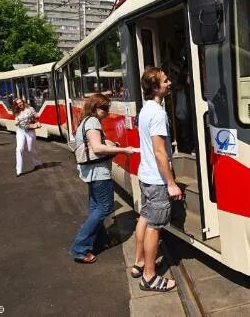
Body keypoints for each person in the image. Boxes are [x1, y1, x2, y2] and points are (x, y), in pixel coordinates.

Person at [69, 94, 138, 264]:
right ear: (95, 108)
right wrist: (123, 150)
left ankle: (102, 241)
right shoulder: (92, 122)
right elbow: (97, 148)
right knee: (105, 207)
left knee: (95, 209)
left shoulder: (85, 121)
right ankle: (79, 248)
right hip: (99, 172)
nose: (107, 112)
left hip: (91, 172)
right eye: (104, 108)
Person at [132, 67, 182, 292]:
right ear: (154, 87)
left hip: (146, 175)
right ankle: (149, 277)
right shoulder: (159, 113)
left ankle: (139, 263)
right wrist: (171, 183)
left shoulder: (146, 110)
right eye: (165, 81)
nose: (169, 83)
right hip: (156, 180)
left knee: (144, 217)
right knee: (155, 226)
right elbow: (160, 152)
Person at [13, 98, 43, 177]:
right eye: (18, 103)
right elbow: (15, 122)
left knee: (30, 149)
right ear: (16, 105)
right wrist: (17, 121)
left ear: (23, 102)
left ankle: (37, 163)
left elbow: (37, 116)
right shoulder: (16, 112)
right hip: (20, 131)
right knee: (19, 149)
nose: (20, 104)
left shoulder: (30, 109)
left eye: (21, 102)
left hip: (30, 130)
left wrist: (35, 120)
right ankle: (18, 170)